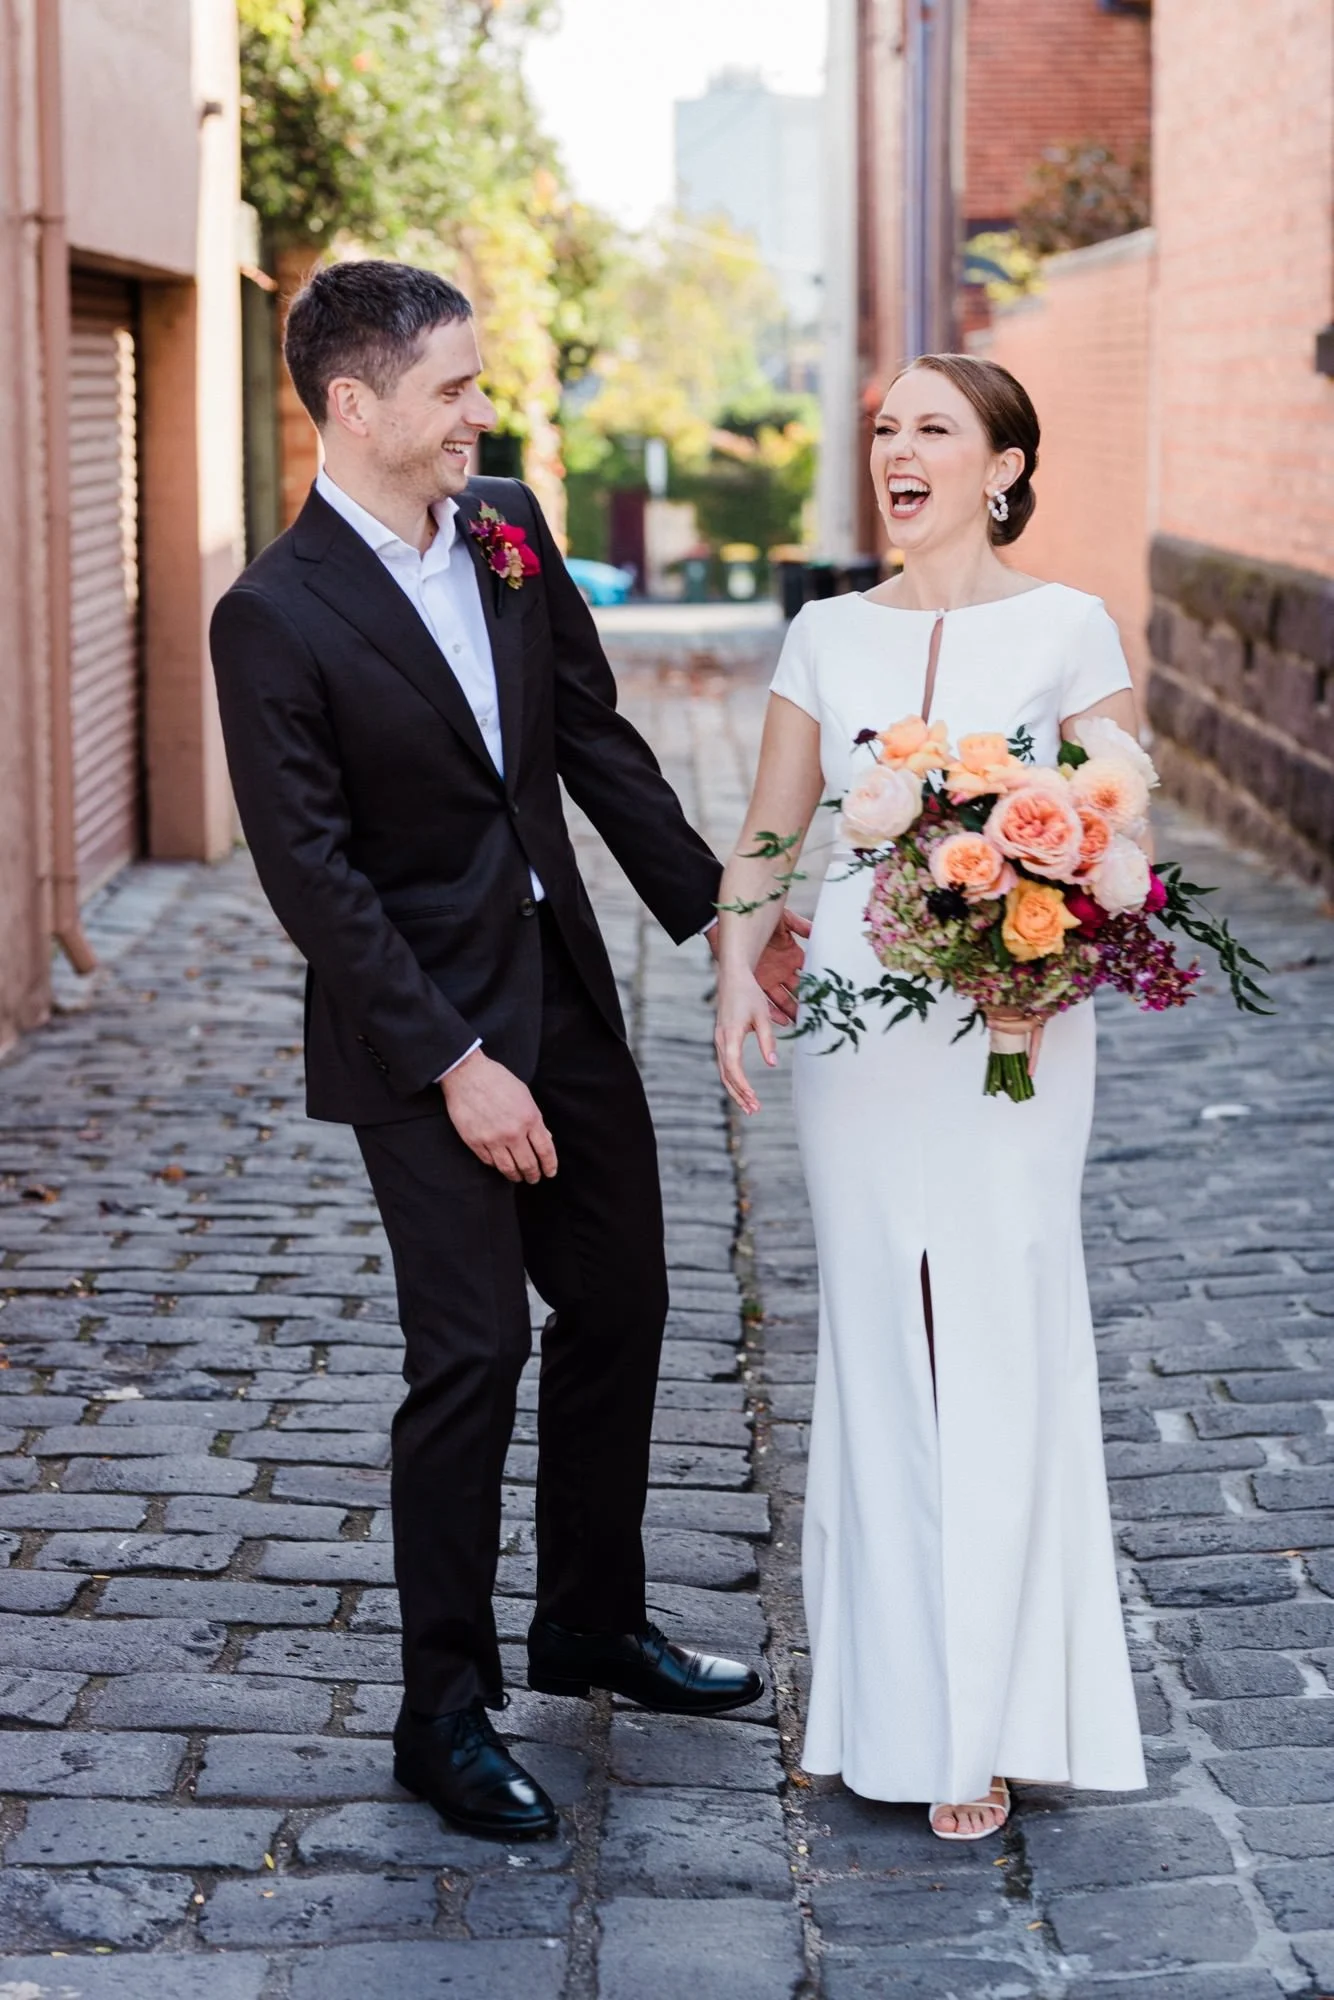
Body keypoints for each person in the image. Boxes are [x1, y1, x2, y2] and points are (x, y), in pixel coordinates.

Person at [209, 260, 807, 1841]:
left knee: (622, 1297)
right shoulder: (269, 617)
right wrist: (453, 1065)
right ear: (355, 404)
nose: (485, 412)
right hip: (417, 1025)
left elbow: (596, 742)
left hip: (563, 982)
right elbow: (313, 879)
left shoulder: (511, 528)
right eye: (456, 388)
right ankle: (442, 1709)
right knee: (472, 1350)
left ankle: (593, 1622)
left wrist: (728, 923)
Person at [714, 354, 1147, 1839]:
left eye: (932, 429)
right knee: (879, 1331)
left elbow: (1114, 831)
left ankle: (995, 1709)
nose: (897, 451)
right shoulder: (823, 633)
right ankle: (889, 1701)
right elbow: (771, 834)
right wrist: (732, 968)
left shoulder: (1066, 625)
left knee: (998, 1316)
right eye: (883, 429)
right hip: (857, 1023)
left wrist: (1064, 945)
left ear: (1003, 465)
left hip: (1013, 1016)